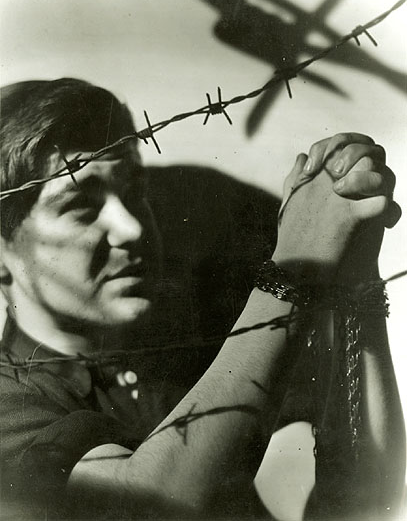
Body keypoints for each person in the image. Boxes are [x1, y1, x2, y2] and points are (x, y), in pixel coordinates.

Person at [0, 78, 404, 520]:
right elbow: (153, 506)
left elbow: (366, 499)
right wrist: (294, 268)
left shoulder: (180, 350)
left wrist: (355, 280)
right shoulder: (10, 404)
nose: (131, 228)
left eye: (134, 191)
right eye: (80, 206)